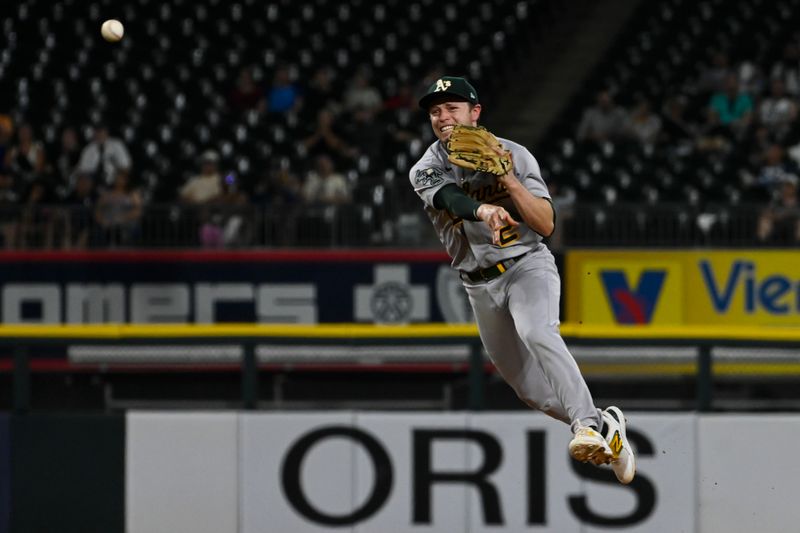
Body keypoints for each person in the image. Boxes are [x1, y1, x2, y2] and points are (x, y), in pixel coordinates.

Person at [409, 76, 635, 484]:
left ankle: (586, 425)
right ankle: (607, 427)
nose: (443, 117)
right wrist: (486, 212)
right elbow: (451, 200)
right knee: (529, 389)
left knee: (537, 332)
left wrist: (509, 180)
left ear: (475, 113)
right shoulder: (425, 167)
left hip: (526, 265)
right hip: (477, 284)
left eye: (452, 107)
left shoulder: (515, 155)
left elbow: (546, 224)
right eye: (435, 111)